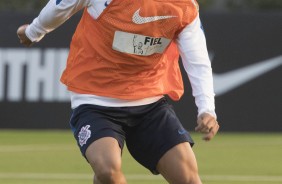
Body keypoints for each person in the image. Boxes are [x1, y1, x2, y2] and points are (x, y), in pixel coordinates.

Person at [17, 0, 220, 183]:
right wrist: (34, 31)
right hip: (95, 100)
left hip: (150, 103)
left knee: (188, 178)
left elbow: (198, 60)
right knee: (108, 172)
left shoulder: (184, 6)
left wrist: (207, 109)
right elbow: (63, 4)